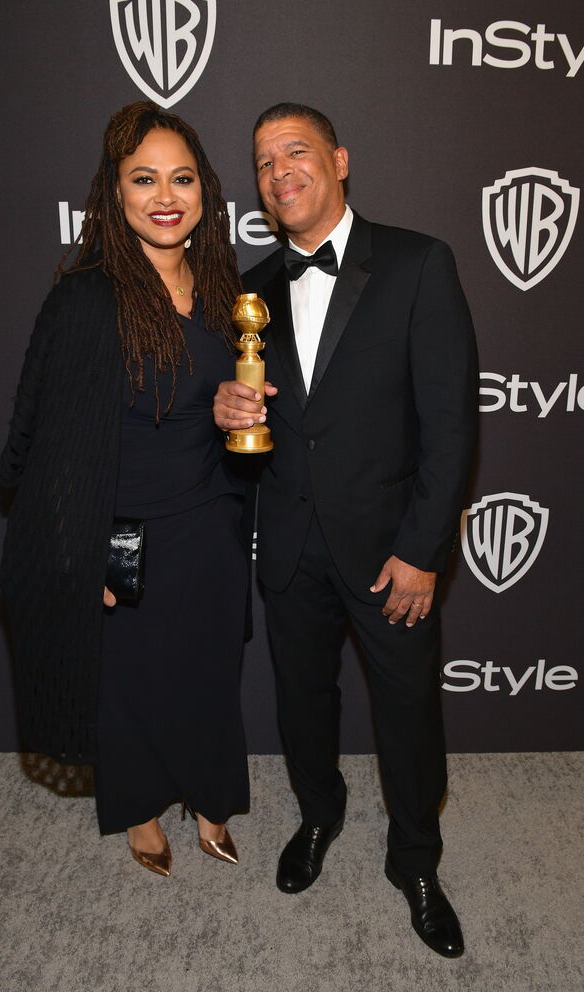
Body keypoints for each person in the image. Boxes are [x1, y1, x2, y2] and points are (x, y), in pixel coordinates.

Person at [213, 103, 478, 956]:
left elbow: (451, 427)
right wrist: (227, 409)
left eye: (295, 152)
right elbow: (246, 422)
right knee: (302, 703)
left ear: (339, 160)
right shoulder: (248, 289)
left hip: (389, 548)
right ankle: (319, 819)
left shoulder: (417, 263)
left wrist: (422, 550)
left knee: (406, 710)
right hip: (288, 543)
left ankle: (416, 859)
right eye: (262, 162)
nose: (279, 171)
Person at [0, 101, 251, 877]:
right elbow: (35, 445)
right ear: (113, 194)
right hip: (125, 530)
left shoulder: (221, 290)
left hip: (208, 522)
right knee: (130, 684)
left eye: (181, 178)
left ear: (205, 191)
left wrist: (221, 410)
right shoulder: (86, 299)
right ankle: (139, 810)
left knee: (209, 672)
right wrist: (84, 547)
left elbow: (200, 401)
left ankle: (213, 794)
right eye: (144, 179)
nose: (165, 195)